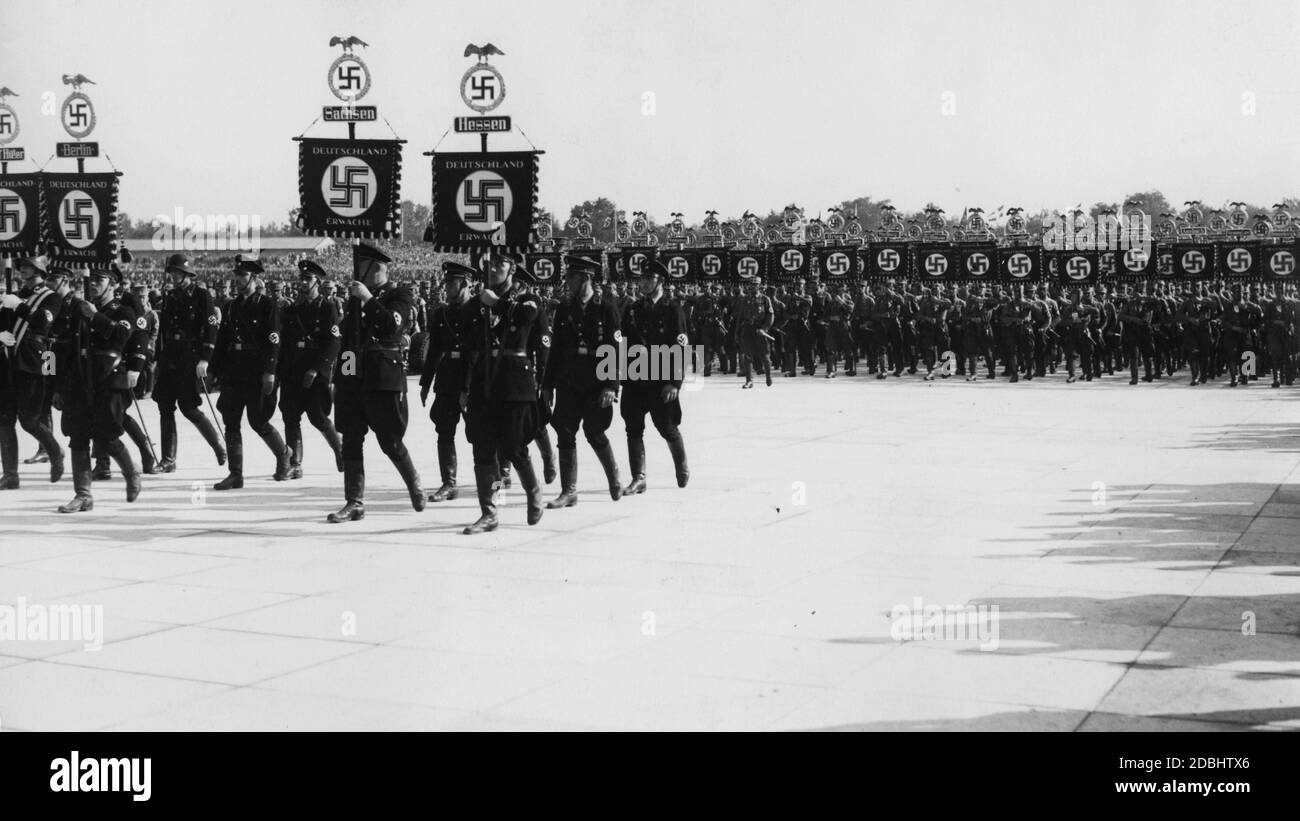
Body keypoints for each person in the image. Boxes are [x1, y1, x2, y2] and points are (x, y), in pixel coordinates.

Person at [327, 243, 424, 523]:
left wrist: (368, 298)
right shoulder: (354, 300)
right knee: (352, 440)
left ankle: (414, 482)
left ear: (377, 268)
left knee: (389, 441)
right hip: (354, 379)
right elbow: (348, 343)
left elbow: (392, 325)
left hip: (382, 377)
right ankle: (354, 501)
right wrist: (341, 379)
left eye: (362, 267)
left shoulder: (399, 295)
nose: (357, 273)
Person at [459, 250, 548, 534]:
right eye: (491, 263)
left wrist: (496, 304)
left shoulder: (527, 300)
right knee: (484, 450)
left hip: (514, 384)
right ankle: (491, 510)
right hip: (485, 382)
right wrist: (464, 386)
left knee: (513, 447)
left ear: (513, 269)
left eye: (501, 264)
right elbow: (467, 348)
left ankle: (534, 491)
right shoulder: (476, 304)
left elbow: (526, 317)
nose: (494, 268)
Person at [53, 263, 147, 512]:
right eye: (91, 279)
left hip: (108, 381)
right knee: (78, 436)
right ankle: (83, 495)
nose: (93, 283)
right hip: (80, 380)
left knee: (107, 435)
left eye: (100, 279)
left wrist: (95, 316)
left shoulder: (123, 310)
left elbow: (120, 338)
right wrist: (57, 386)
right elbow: (64, 349)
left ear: (112, 285)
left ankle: (131, 471)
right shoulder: (76, 310)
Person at [542, 255, 624, 508]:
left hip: (596, 381)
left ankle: (614, 477)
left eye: (572, 277)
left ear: (586, 278)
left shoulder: (606, 308)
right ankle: (569, 491)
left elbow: (616, 349)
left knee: (594, 431)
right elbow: (555, 350)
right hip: (569, 380)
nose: (567, 282)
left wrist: (612, 385)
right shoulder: (565, 309)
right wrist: (547, 385)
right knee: (565, 433)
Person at [619, 258, 689, 492]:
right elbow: (624, 344)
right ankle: (639, 477)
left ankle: (681, 466)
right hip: (635, 380)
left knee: (666, 427)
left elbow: (680, 347)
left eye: (649, 279)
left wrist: (674, 382)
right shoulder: (632, 309)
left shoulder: (672, 308)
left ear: (661, 281)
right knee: (633, 428)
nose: (644, 283)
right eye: (642, 278)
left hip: (661, 380)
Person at [154, 253, 226, 472]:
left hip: (190, 357)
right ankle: (168, 459)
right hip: (170, 358)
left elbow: (211, 328)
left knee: (189, 408)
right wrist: (158, 358)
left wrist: (205, 358)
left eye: (177, 272)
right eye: (172, 272)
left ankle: (218, 445)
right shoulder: (169, 296)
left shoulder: (202, 295)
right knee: (164, 406)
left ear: (187, 274)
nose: (174, 276)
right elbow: (164, 331)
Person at [0, 254, 66, 489]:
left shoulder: (51, 298)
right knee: (4, 419)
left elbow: (42, 323)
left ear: (40, 272)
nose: (24, 271)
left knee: (30, 418)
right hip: (9, 364)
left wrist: (17, 306)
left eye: (29, 267)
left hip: (38, 362)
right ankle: (10, 474)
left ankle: (54, 450)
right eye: (23, 267)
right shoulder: (15, 296)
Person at [278, 260, 343, 479]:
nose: (303, 283)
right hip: (293, 370)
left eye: (308, 279)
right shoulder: (293, 308)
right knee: (290, 416)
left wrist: (317, 369)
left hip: (315, 370)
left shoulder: (327, 308)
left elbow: (333, 343)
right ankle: (295, 464)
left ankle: (339, 448)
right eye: (302, 279)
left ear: (318, 282)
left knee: (318, 417)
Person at [419, 261, 475, 502]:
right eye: (447, 282)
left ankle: (497, 483)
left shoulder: (479, 309)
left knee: (482, 435)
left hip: (473, 377)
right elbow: (434, 350)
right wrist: (425, 382)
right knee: (444, 430)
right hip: (447, 377)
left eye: (452, 283)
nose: (447, 287)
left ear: (465, 284)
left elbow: (476, 352)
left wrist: (467, 388)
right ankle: (448, 483)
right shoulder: (442, 312)